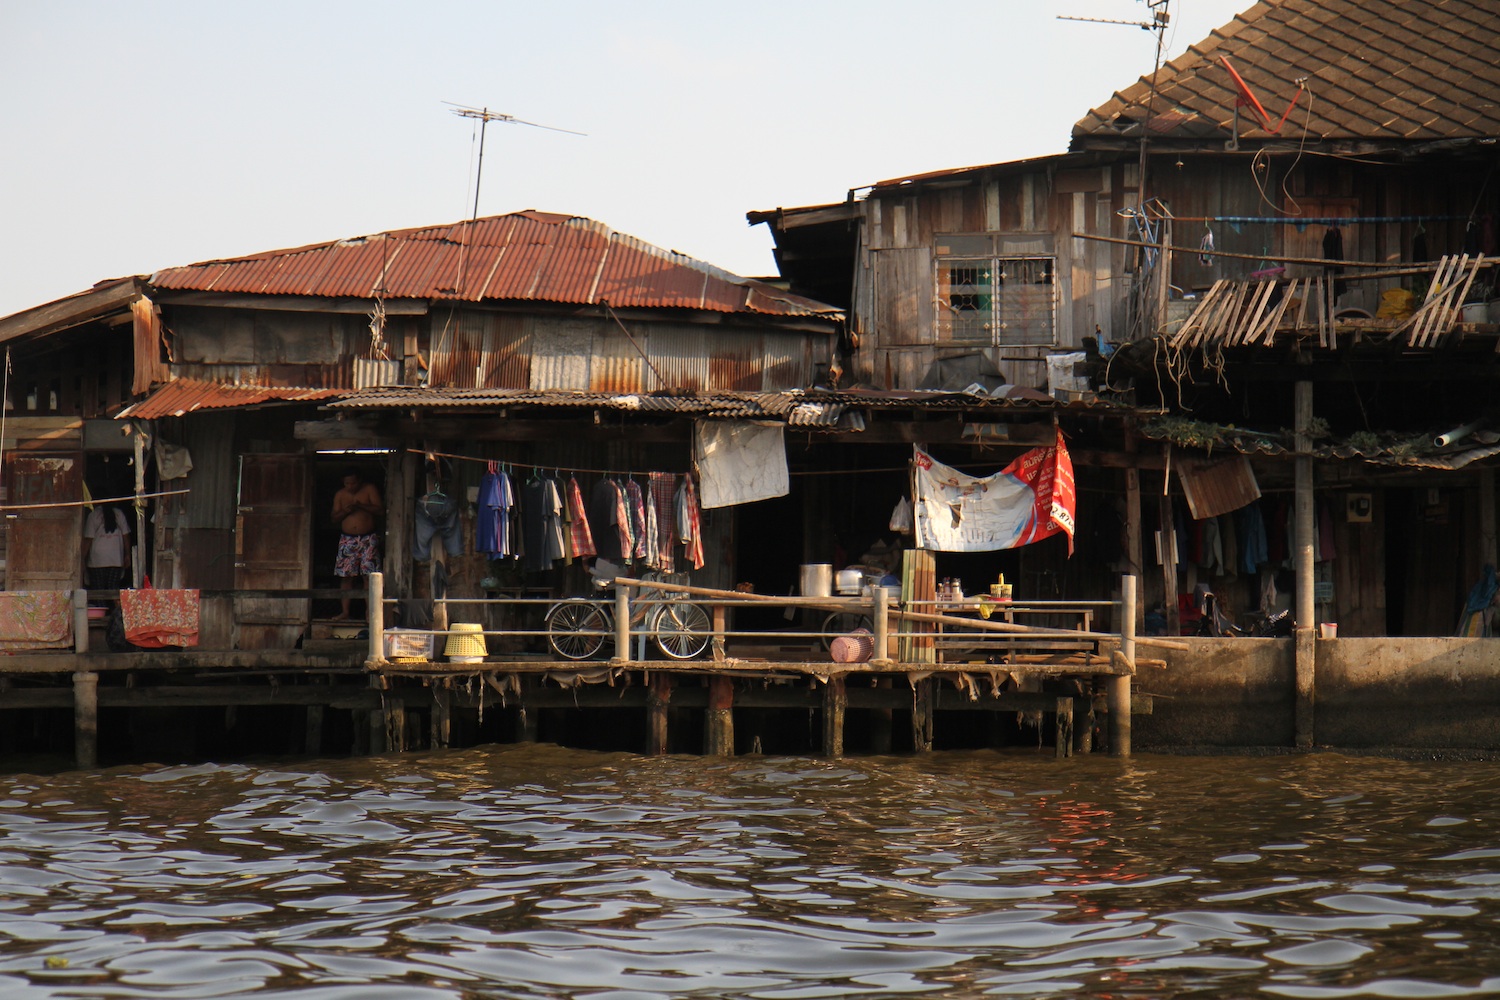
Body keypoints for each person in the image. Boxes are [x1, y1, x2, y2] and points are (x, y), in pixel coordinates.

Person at [331, 470, 383, 620]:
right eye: (347, 483)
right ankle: (345, 612)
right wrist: (346, 511)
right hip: (348, 539)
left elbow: (379, 510)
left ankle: (370, 613)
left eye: (353, 483)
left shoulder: (369, 489)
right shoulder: (340, 494)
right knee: (346, 577)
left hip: (368, 538)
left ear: (359, 481)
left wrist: (361, 506)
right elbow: (334, 518)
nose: (350, 486)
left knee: (369, 577)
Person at [83, 503, 132, 589]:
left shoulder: (93, 515)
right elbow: (126, 536)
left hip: (96, 561)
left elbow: (88, 539)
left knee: (98, 592)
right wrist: (127, 554)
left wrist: (82, 558)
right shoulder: (119, 514)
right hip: (115, 560)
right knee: (113, 591)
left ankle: (100, 603)